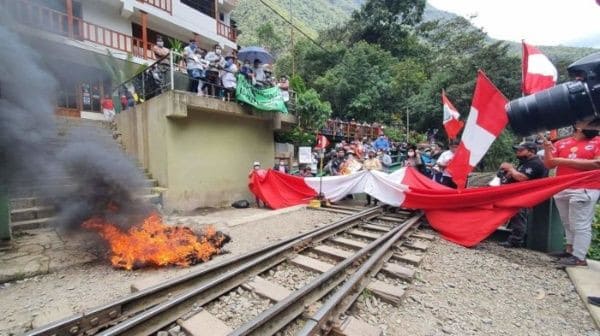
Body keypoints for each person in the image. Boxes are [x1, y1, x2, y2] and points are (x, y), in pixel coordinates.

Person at [543, 127, 600, 266]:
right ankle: (570, 250)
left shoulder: (598, 141)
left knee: (580, 224)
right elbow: (549, 163)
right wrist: (546, 149)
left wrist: (561, 161)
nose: (596, 128)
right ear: (579, 126)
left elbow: (597, 163)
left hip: (586, 188)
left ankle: (579, 257)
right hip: (562, 187)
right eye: (593, 125)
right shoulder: (562, 143)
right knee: (567, 222)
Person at [497, 142, 548, 248]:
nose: (517, 153)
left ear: (531, 151)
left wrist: (510, 169)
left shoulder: (536, 163)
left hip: (526, 195)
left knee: (519, 216)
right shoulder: (525, 162)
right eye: (517, 150)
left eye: (521, 150)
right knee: (514, 215)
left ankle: (516, 240)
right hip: (516, 193)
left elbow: (522, 177)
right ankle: (513, 238)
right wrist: (508, 171)